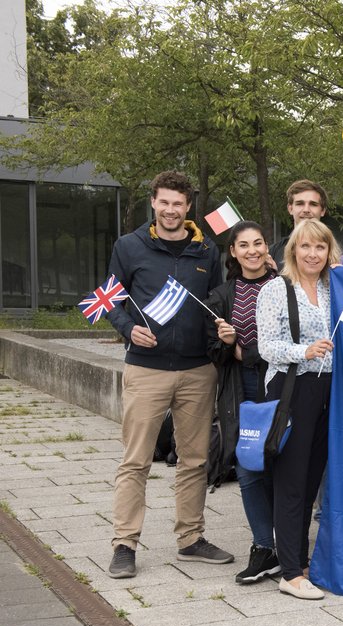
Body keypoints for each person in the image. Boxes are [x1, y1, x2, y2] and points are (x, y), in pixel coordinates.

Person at [105, 170, 235, 578]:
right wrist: (128, 328)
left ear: (188, 206)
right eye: (164, 202)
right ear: (153, 203)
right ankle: (125, 544)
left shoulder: (207, 252)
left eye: (178, 204)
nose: (171, 210)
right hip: (146, 370)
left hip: (198, 371)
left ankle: (191, 538)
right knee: (135, 461)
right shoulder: (129, 246)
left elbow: (219, 301)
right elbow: (107, 299)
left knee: (194, 460)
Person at [256, 219, 341, 600]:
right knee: (291, 480)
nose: (313, 254)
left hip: (329, 390)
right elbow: (266, 346)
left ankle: (301, 562)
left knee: (310, 481)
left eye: (320, 247)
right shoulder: (276, 289)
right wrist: (302, 351)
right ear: (293, 250)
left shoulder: (333, 288)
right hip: (293, 389)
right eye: (305, 247)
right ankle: (289, 572)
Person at [207, 221, 281, 584]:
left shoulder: (285, 287)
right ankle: (263, 546)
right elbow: (214, 354)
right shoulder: (223, 296)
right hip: (245, 391)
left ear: (267, 247)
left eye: (258, 243)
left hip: (283, 385)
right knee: (250, 466)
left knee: (285, 463)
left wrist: (244, 350)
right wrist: (225, 343)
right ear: (233, 252)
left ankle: (292, 544)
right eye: (243, 245)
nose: (252, 250)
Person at [269, 180, 329, 266]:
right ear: (290, 209)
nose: (306, 210)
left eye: (313, 204)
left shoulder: (341, 255)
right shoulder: (273, 253)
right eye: (300, 204)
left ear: (322, 210)